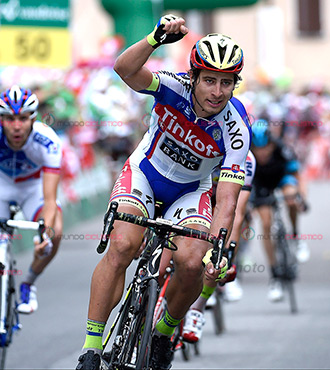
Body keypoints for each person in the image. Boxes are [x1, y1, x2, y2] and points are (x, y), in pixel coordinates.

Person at [76, 14, 252, 370]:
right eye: (209, 81)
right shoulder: (172, 86)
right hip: (144, 173)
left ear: (234, 84)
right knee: (123, 245)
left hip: (191, 190)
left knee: (191, 262)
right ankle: (91, 347)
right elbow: (124, 69)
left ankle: (163, 333)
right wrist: (155, 38)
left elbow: (228, 202)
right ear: (194, 77)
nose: (217, 92)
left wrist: (217, 251)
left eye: (225, 83)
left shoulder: (237, 129)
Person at [0, 85, 63, 314]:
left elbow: (49, 200)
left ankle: (28, 283)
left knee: (54, 230)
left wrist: (43, 236)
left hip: (32, 187)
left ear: (33, 118)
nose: (16, 126)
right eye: (9, 119)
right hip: (2, 184)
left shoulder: (48, 141)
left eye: (23, 119)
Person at [182, 151, 256, 343]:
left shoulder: (245, 160)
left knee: (219, 246)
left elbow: (237, 212)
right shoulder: (204, 146)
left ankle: (197, 309)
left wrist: (226, 252)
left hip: (225, 202)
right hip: (197, 193)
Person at [249, 120, 309, 302]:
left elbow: (299, 177)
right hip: (260, 185)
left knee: (291, 197)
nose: (262, 153)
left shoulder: (283, 149)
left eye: (266, 148)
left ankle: (296, 238)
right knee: (266, 223)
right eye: (257, 150)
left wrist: (303, 199)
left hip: (282, 179)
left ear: (272, 143)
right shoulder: (246, 153)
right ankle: (274, 276)